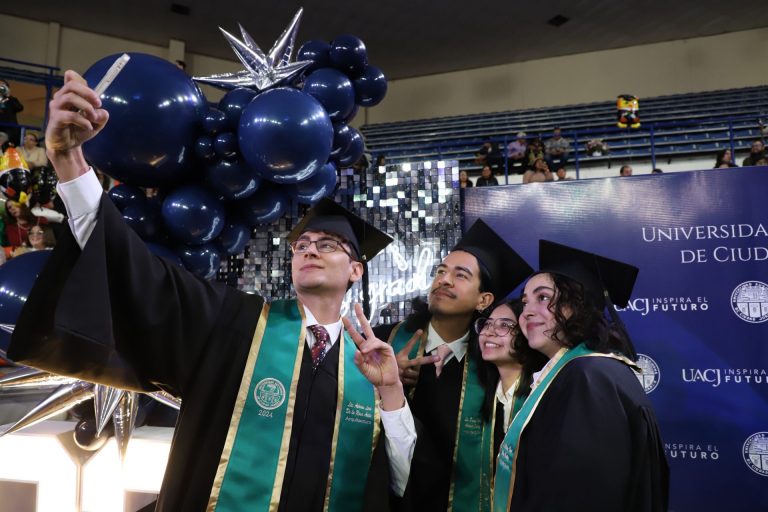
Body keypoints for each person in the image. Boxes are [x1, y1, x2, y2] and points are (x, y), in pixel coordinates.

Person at [8, 70, 416, 511]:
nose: (310, 250)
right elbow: (133, 269)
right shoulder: (235, 325)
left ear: (356, 270)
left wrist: (391, 391)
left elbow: (402, 478)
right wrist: (69, 161)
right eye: (302, 245)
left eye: (328, 245)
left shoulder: (372, 366)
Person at [493, 240, 669, 512]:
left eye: (543, 297)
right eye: (525, 301)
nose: (526, 311)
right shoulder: (584, 371)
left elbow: (582, 494)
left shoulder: (588, 378)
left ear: (577, 304)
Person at [375, 219, 533, 512]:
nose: (444, 280)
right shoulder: (383, 343)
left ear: (483, 300)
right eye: (440, 271)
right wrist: (378, 384)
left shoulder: (493, 367)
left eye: (460, 275)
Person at [475, 299, 546, 465]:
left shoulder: (543, 394)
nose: (489, 332)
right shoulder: (485, 394)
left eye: (505, 325)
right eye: (487, 324)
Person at [0, 79, 24, 147]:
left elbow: (19, 108)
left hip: (9, 129)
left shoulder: (11, 99)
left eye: (2, 85)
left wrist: (9, 96)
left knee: (9, 147)